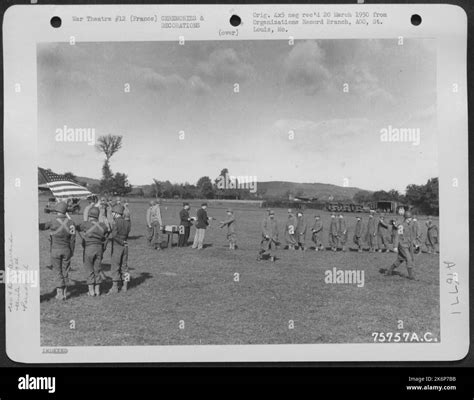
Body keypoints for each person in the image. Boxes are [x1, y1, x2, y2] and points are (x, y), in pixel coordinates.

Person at [39, 201, 76, 300]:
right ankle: (64, 292)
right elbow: (73, 239)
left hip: (55, 250)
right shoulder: (71, 223)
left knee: (57, 271)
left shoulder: (53, 221)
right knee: (65, 271)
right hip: (67, 250)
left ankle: (60, 293)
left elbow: (42, 227)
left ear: (57, 211)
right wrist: (71, 251)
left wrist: (35, 221)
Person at [77, 206, 110, 296]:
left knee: (89, 269)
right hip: (99, 249)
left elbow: (77, 227)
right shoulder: (103, 226)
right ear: (98, 215)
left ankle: (91, 291)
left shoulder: (85, 224)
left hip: (89, 249)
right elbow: (107, 233)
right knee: (97, 269)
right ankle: (97, 290)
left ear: (89, 215)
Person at [383, 210, 417, 280]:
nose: (410, 219)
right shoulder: (401, 226)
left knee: (400, 259)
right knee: (409, 259)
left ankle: (389, 272)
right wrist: (395, 246)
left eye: (410, 218)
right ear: (406, 218)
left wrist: (415, 244)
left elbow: (411, 236)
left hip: (407, 245)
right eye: (409, 218)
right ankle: (411, 276)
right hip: (402, 245)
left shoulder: (409, 225)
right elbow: (397, 236)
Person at [108, 204, 132, 294]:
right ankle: (125, 286)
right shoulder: (127, 222)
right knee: (125, 267)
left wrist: (120, 241)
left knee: (115, 267)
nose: (112, 214)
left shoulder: (115, 222)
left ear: (116, 213)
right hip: (125, 245)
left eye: (113, 212)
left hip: (118, 246)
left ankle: (115, 287)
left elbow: (114, 235)